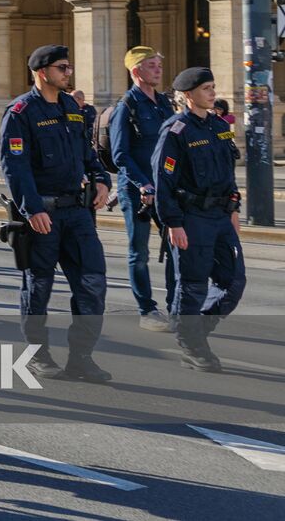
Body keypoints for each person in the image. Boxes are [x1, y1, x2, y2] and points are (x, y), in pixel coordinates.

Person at [0, 45, 112, 382]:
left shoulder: (72, 109)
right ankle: (37, 355)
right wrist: (32, 208)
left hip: (77, 213)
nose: (68, 73)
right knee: (38, 288)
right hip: (43, 215)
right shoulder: (21, 112)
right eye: (62, 68)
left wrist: (102, 180)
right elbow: (15, 167)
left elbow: (88, 154)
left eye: (69, 66)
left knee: (93, 283)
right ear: (42, 72)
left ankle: (81, 357)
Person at [152, 67, 246, 372]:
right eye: (206, 88)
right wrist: (173, 223)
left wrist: (233, 210)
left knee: (233, 282)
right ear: (188, 95)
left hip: (220, 215)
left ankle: (193, 329)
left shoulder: (218, 126)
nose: (213, 93)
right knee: (192, 285)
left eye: (213, 87)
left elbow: (228, 173)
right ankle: (192, 346)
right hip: (192, 217)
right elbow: (163, 181)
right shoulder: (176, 130)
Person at [108, 46, 177, 332]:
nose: (158, 69)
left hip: (165, 188)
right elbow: (120, 154)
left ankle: (177, 306)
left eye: (159, 64)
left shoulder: (163, 103)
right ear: (136, 71)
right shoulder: (127, 105)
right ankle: (146, 309)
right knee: (139, 251)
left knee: (176, 245)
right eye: (151, 65)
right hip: (136, 191)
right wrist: (143, 183)